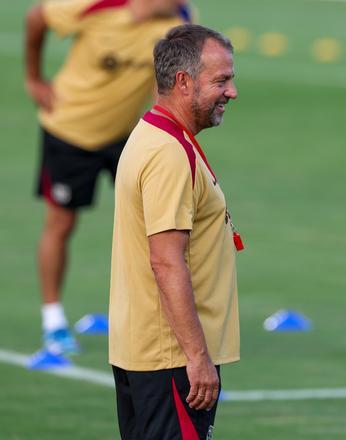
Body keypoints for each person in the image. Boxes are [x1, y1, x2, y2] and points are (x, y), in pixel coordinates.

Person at [24, 0, 190, 355]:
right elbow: (36, 18)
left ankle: (156, 322)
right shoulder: (93, 5)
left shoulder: (180, 20)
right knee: (61, 224)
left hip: (128, 138)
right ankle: (53, 322)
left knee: (158, 228)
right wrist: (34, 78)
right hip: (69, 132)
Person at [109, 24, 241, 439]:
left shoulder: (153, 133)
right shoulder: (168, 153)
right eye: (220, 80)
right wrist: (197, 357)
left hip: (151, 351)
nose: (232, 92)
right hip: (171, 359)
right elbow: (166, 260)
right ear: (183, 82)